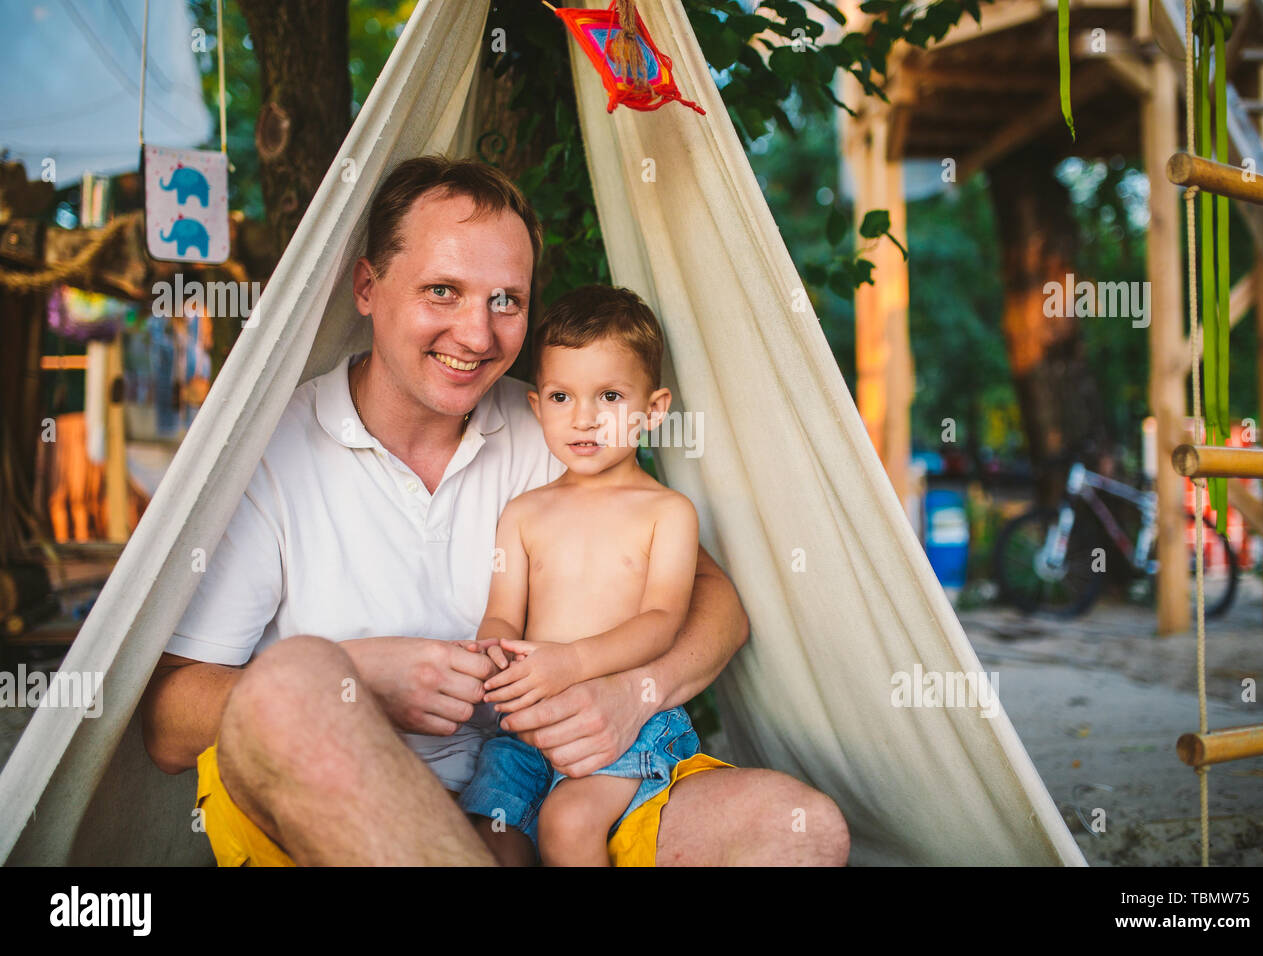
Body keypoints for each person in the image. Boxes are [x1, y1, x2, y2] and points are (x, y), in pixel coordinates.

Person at [140, 155, 850, 866]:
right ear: (367, 286)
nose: (478, 336)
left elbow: (716, 602)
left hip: (543, 791)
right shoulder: (269, 450)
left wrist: (634, 694)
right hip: (343, 824)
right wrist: (361, 678)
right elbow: (170, 722)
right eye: (443, 291)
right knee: (295, 682)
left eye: (505, 301)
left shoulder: (553, 427)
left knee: (800, 829)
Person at [460, 285, 709, 866]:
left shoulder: (667, 513)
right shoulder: (524, 513)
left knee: (568, 820)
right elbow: (503, 610)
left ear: (654, 409)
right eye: (562, 396)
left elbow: (663, 622)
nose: (585, 418)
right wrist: (491, 649)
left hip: (625, 727)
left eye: (611, 396)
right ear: (537, 406)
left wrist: (571, 663)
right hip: (524, 730)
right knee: (487, 835)